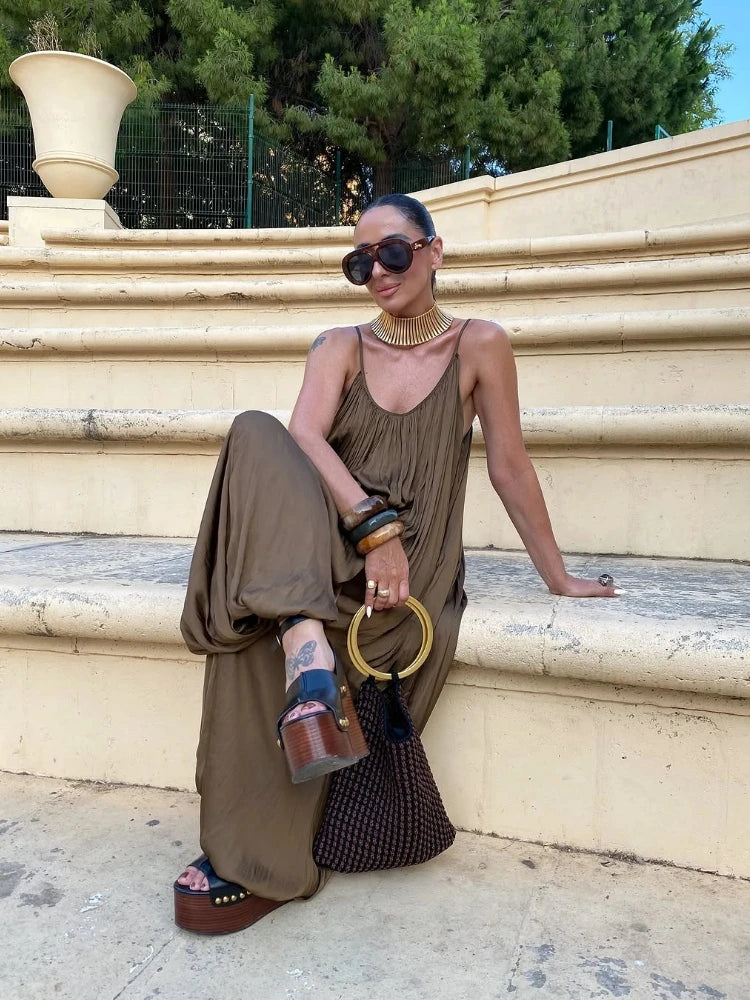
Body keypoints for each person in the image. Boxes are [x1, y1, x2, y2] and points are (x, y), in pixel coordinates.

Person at [173, 193, 620, 933]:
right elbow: (304, 437)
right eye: (360, 262)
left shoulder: (480, 345)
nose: (377, 272)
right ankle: (305, 644)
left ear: (434, 252)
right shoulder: (339, 346)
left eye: (392, 252)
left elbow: (509, 466)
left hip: (408, 576)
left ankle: (299, 651)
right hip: (328, 555)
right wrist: (371, 529)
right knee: (254, 431)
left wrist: (558, 577)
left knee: (261, 610)